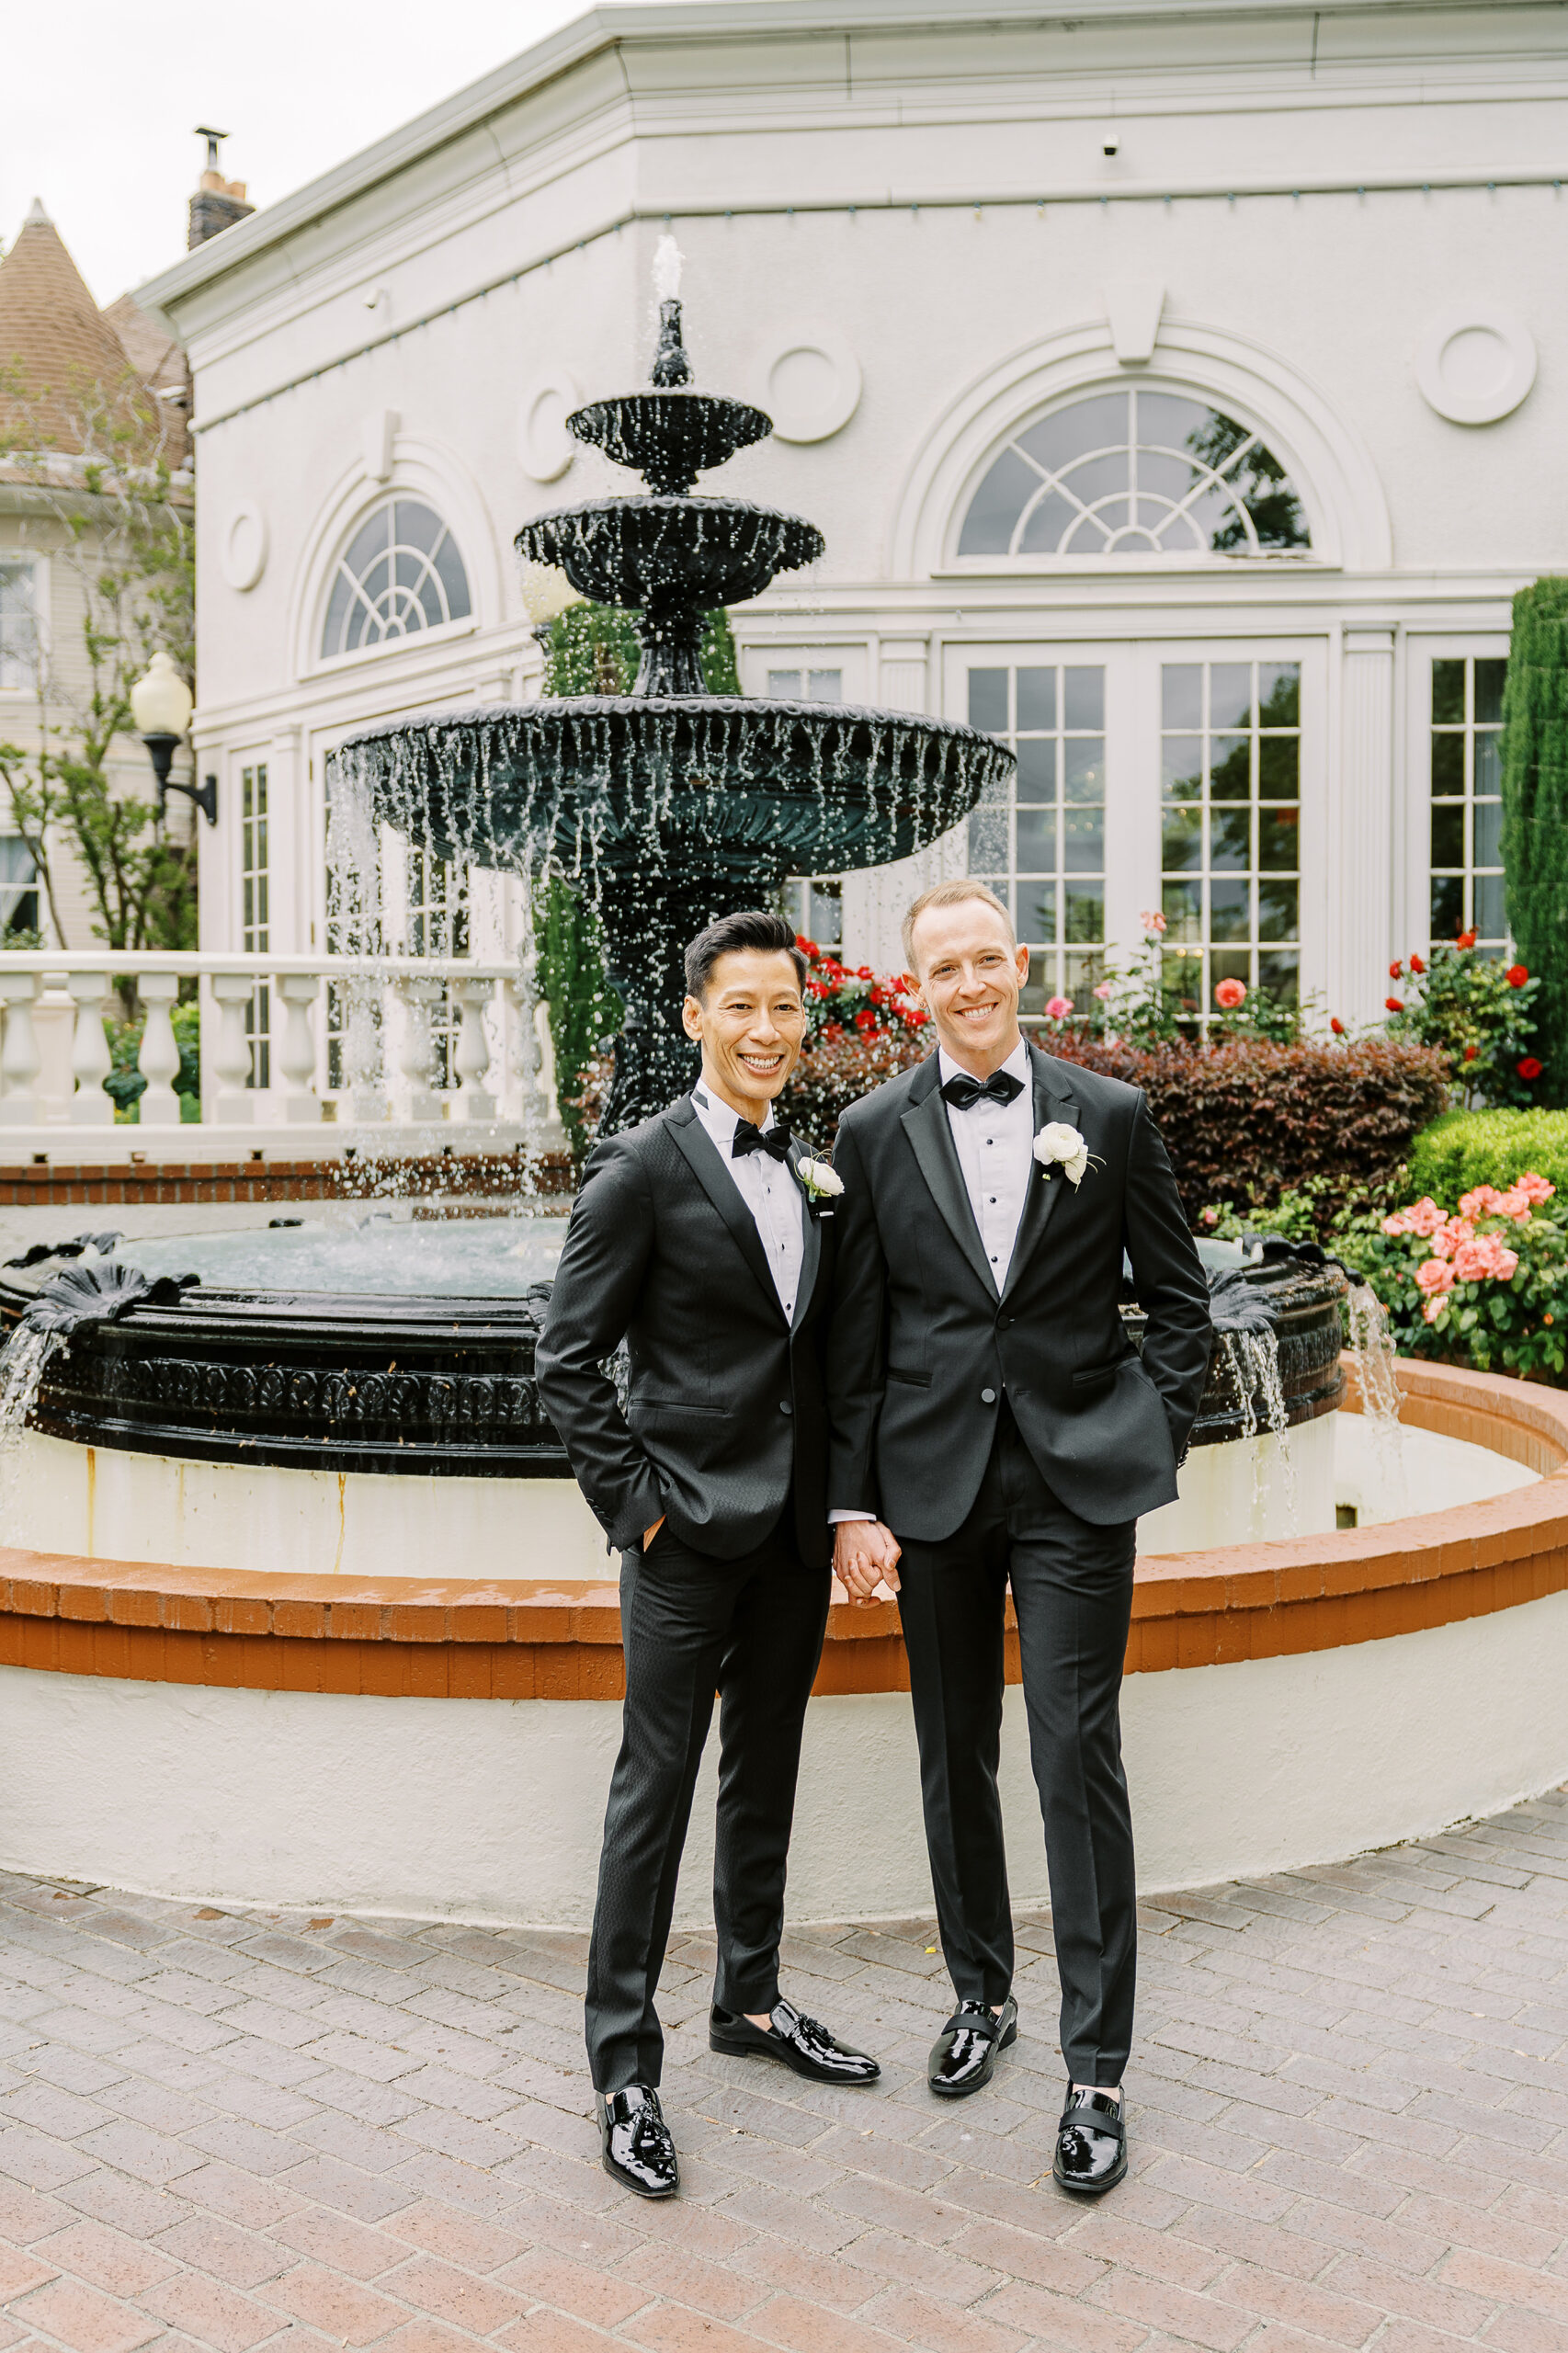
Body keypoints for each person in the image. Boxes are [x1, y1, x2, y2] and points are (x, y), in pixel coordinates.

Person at [827, 880, 1210, 2196]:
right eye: (944, 968)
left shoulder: (1110, 1116)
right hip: (928, 1487)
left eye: (986, 959)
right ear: (916, 988)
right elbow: (855, 1337)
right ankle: (978, 1994)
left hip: (1073, 1488)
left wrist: (1144, 1432)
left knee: (1073, 1754)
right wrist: (852, 1503)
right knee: (952, 1751)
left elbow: (1179, 1303)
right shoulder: (869, 1130)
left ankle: (1095, 2068)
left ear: (1020, 963)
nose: (970, 984)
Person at [536, 907, 879, 2203]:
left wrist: (840, 1507)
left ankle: (750, 1999)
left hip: (791, 1534)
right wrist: (640, 1509)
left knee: (765, 1769)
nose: (765, 1030)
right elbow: (567, 1360)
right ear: (695, 1018)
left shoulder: (810, 1164)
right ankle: (625, 2069)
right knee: (654, 1790)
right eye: (740, 1006)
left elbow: (818, 1357)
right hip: (682, 1536)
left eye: (784, 1006)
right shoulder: (637, 1169)